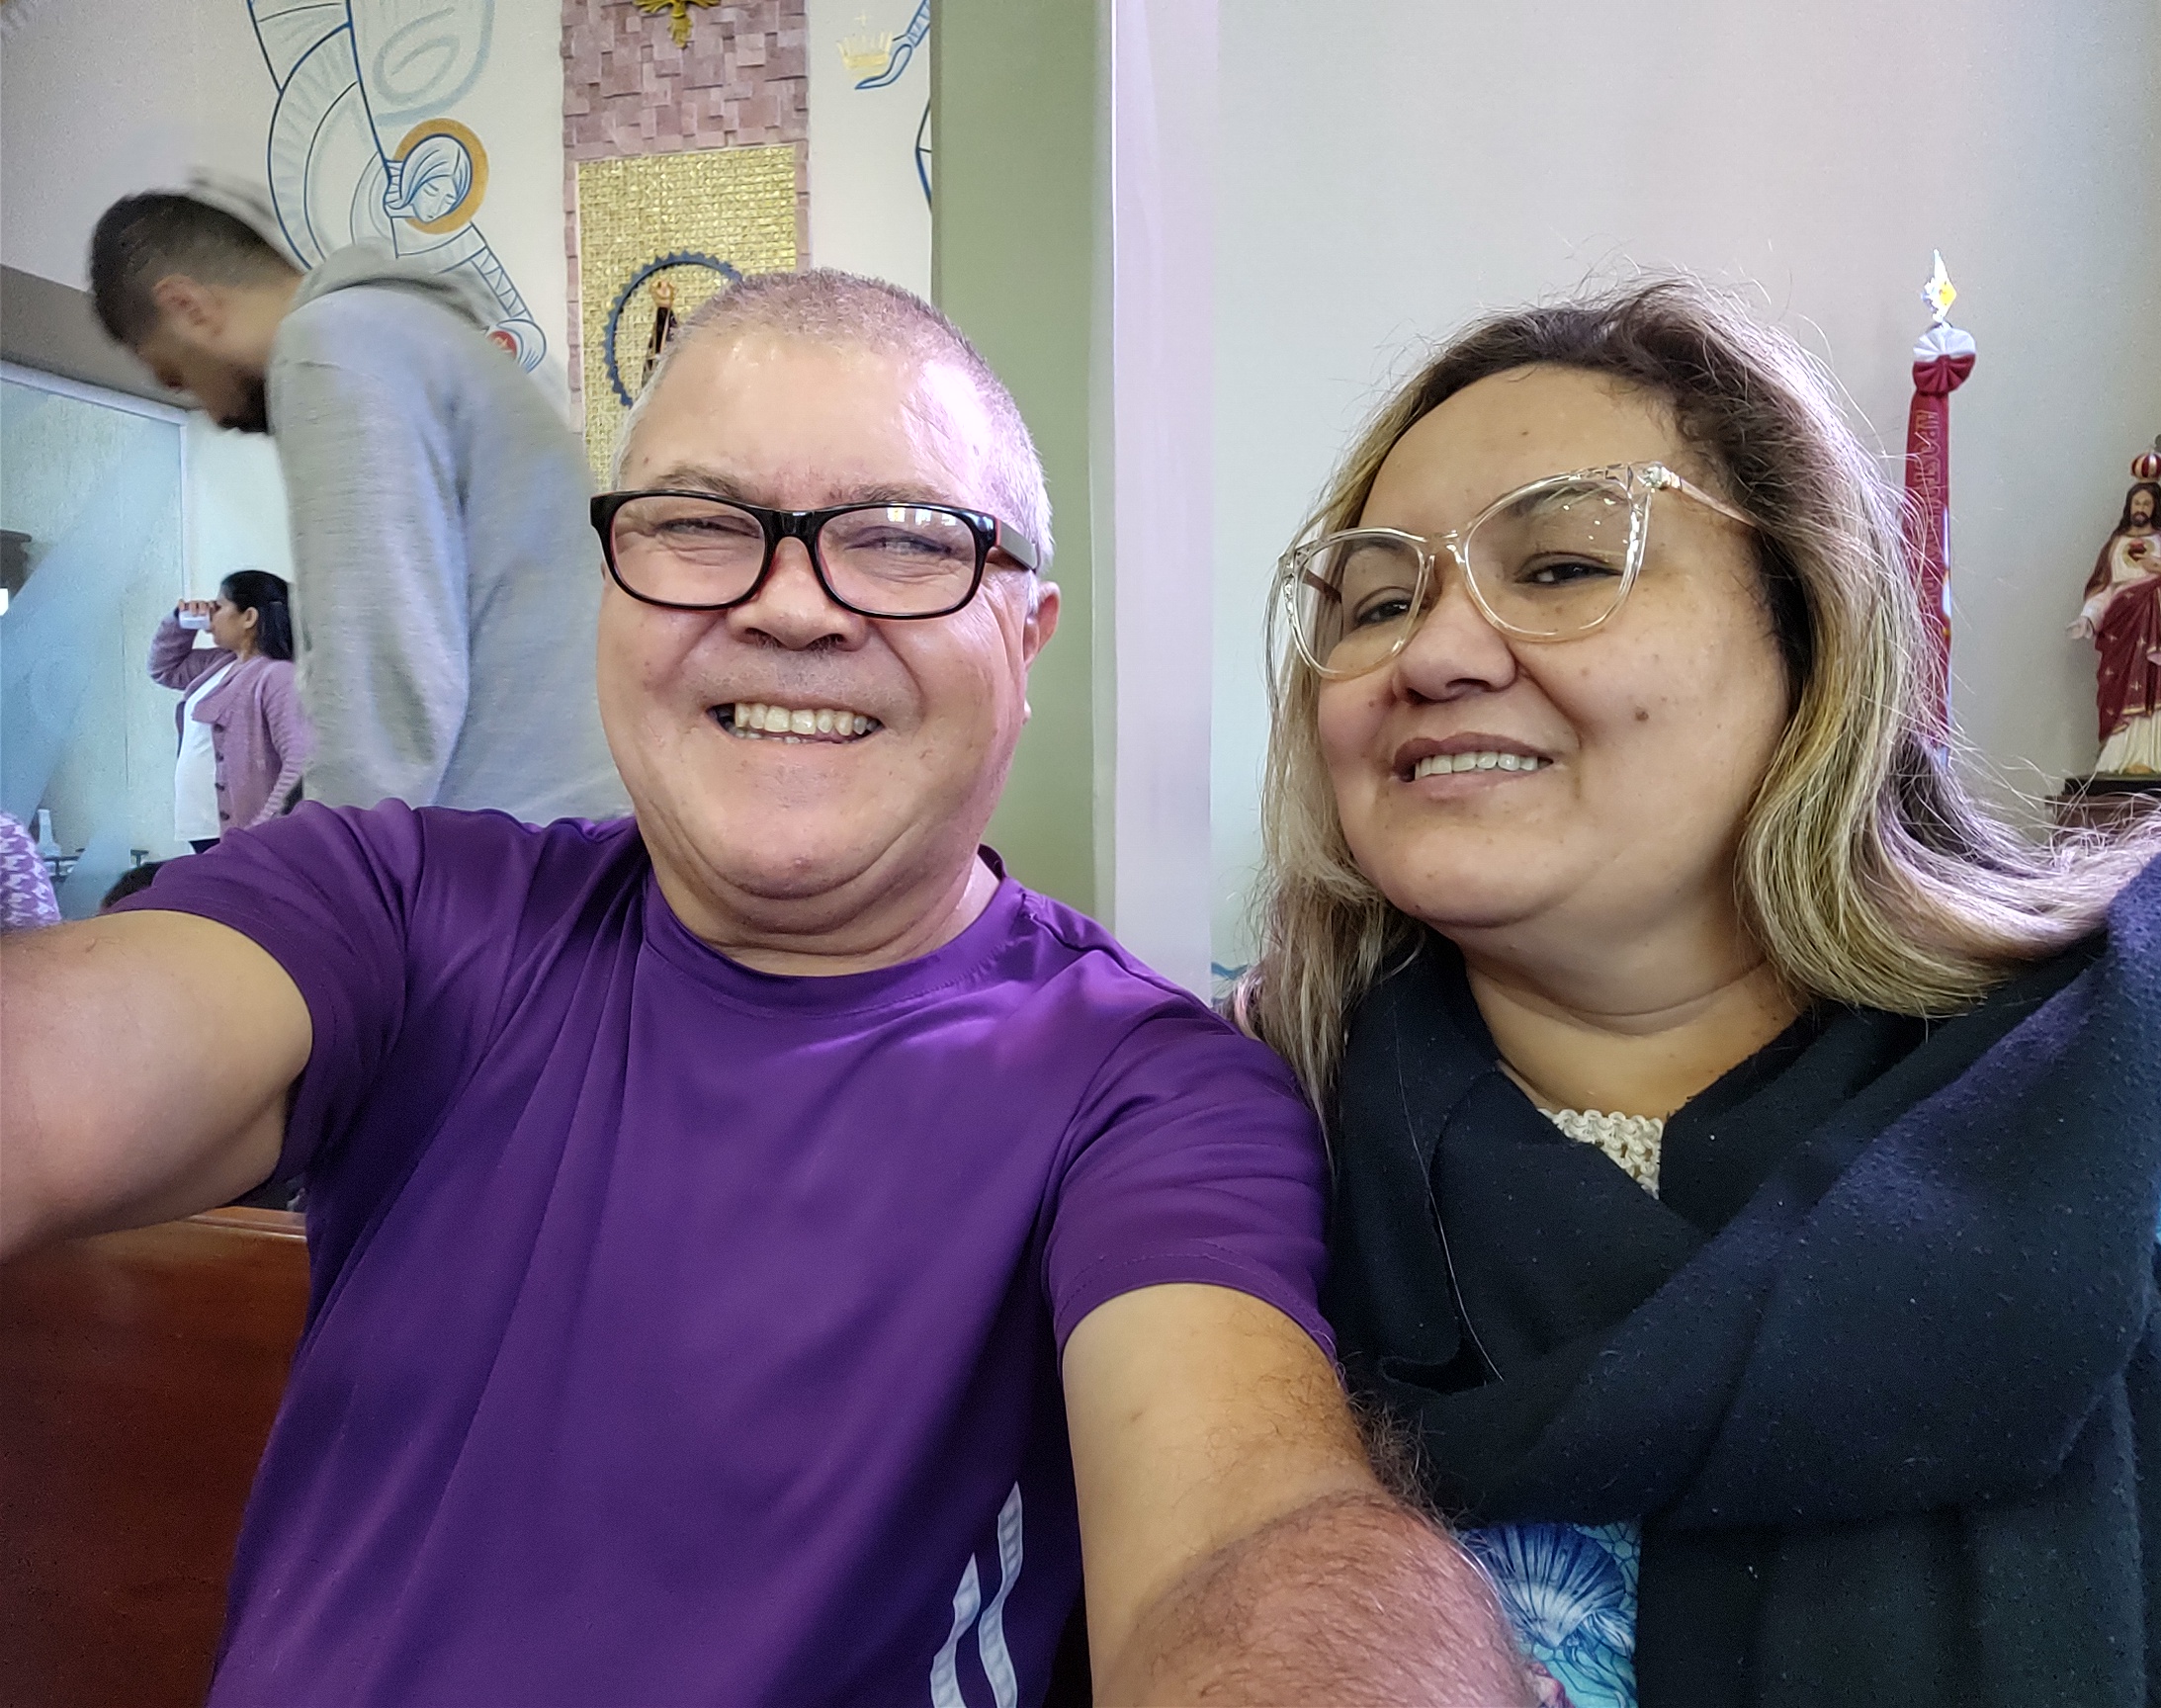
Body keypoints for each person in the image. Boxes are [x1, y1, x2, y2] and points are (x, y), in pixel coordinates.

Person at [0, 270, 1519, 1706]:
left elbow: (1247, 1531)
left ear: (1026, 633)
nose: (793, 608)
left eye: (908, 540)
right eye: (697, 524)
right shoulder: (390, 908)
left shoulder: (1147, 1092)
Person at [1240, 279, 2161, 1708]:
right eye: (1376, 601)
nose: (1432, 653)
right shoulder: (1226, 1184)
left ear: (1807, 631)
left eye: (1562, 566)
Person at [88, 177, 626, 823]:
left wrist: (329, 866)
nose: (209, 411)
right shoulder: (412, 330)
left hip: (508, 840)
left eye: (177, 376)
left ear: (189, 307)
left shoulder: (329, 345)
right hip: (564, 824)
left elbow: (381, 678)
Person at [149, 570, 313, 851]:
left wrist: (262, 829)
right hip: (204, 828)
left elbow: (299, 760)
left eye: (219, 606)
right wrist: (181, 622)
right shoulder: (220, 663)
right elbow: (164, 668)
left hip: (242, 833)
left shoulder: (277, 676)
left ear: (249, 617)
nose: (210, 617)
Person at [2068, 468, 2161, 776]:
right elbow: (2104, 588)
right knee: (2116, 688)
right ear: (2128, 506)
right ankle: (2114, 758)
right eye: (2136, 503)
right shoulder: (2115, 544)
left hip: (2156, 628)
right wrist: (2088, 618)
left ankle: (2151, 758)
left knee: (2153, 687)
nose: (2140, 508)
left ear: (2155, 507)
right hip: (2122, 629)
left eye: (2146, 503)